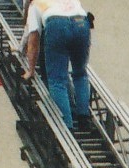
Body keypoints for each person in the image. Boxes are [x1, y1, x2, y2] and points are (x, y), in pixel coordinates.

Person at [21, 0, 92, 132]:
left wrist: (30, 70)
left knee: (57, 80)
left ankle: (67, 126)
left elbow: (33, 43)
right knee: (80, 73)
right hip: (81, 22)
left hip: (57, 25)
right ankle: (84, 119)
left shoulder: (34, 5)